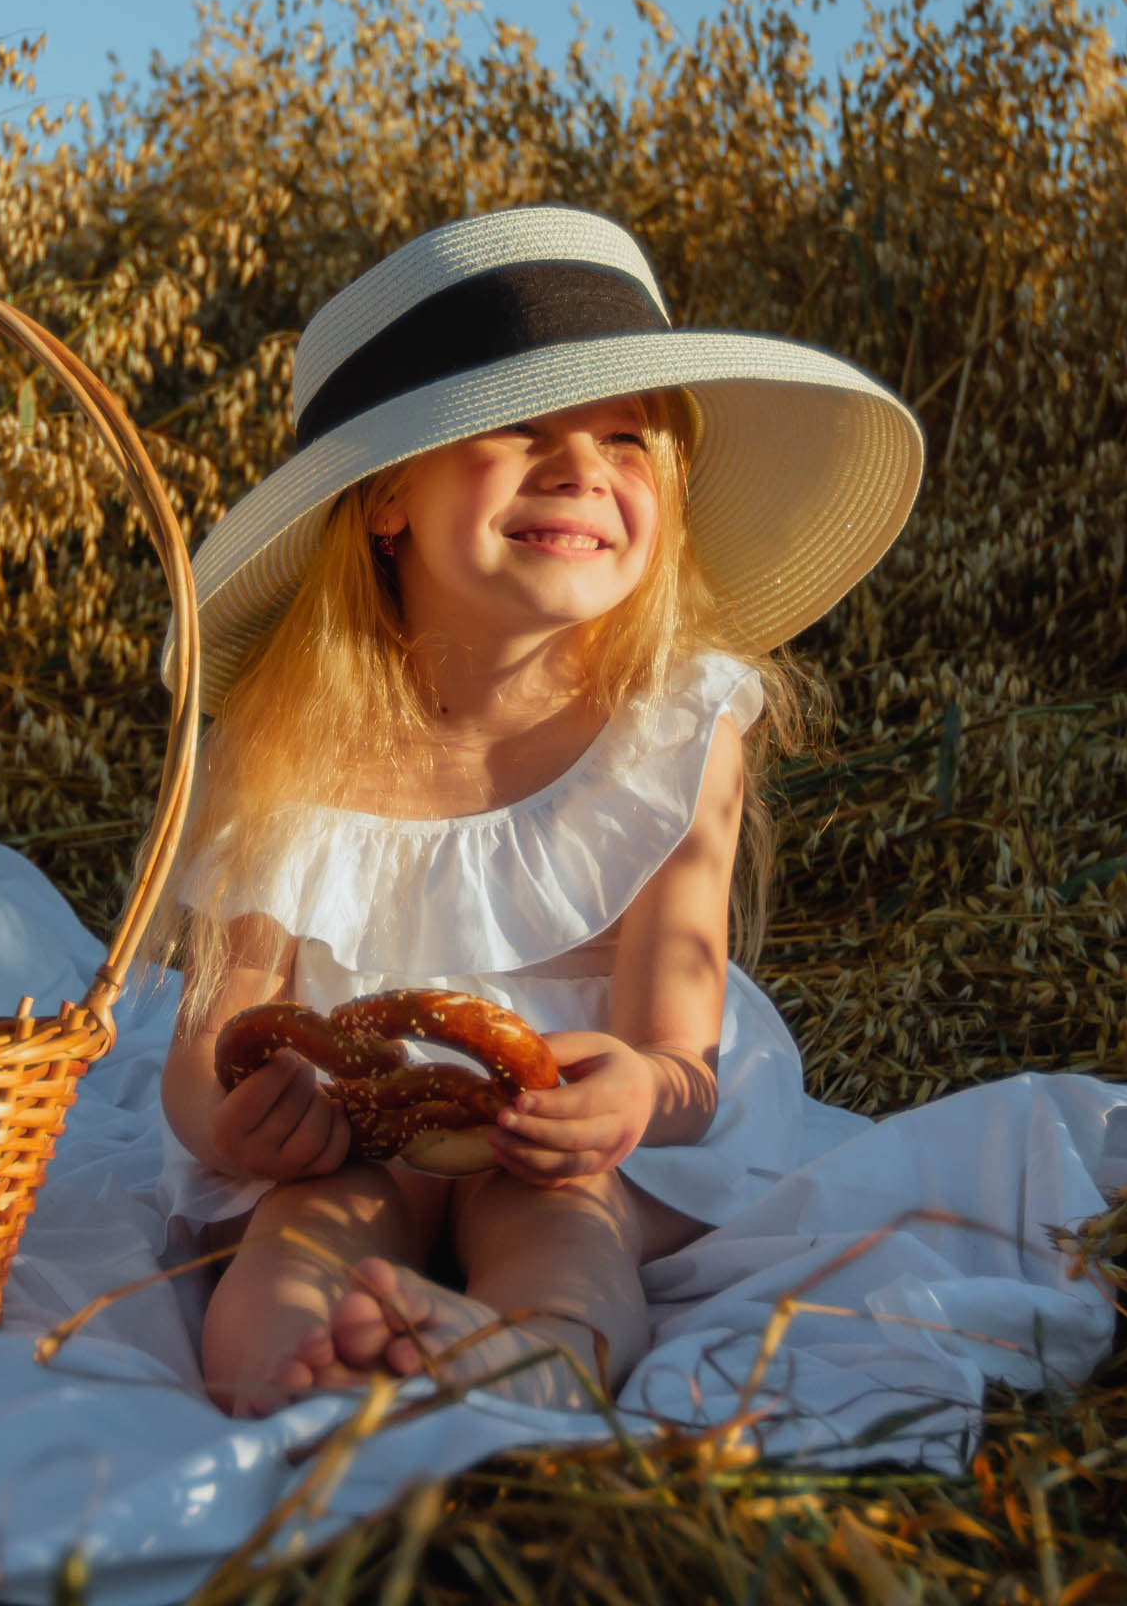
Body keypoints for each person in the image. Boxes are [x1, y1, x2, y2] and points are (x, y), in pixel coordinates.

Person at [151, 207, 926, 1416]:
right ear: (383, 500)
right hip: (361, 1121)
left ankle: (539, 1349)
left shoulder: (671, 732)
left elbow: (681, 1056)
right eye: (516, 429)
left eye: (625, 440)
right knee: (303, 1231)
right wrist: (238, 1128)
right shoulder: (285, 746)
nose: (580, 470)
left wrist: (629, 1095)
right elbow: (214, 1037)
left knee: (558, 1227)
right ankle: (292, 1364)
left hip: (571, 1125)